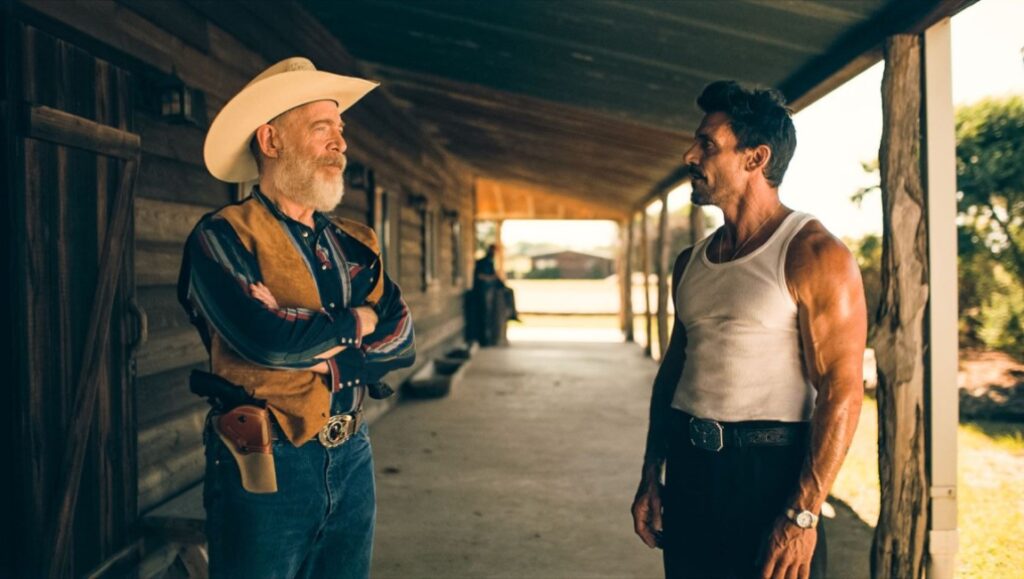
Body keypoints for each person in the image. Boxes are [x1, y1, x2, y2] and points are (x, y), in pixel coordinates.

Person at [178, 57, 416, 579]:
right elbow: (269, 345)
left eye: (341, 130)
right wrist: (359, 321)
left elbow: (403, 340)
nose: (341, 143)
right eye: (321, 128)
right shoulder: (221, 236)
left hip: (353, 451)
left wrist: (324, 355)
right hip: (265, 456)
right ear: (271, 141)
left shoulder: (357, 243)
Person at [630, 81, 866, 579]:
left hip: (771, 481)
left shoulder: (814, 254)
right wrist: (653, 472)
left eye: (707, 145)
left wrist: (803, 514)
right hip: (692, 473)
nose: (689, 154)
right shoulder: (690, 262)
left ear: (756, 159)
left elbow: (841, 391)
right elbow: (673, 374)